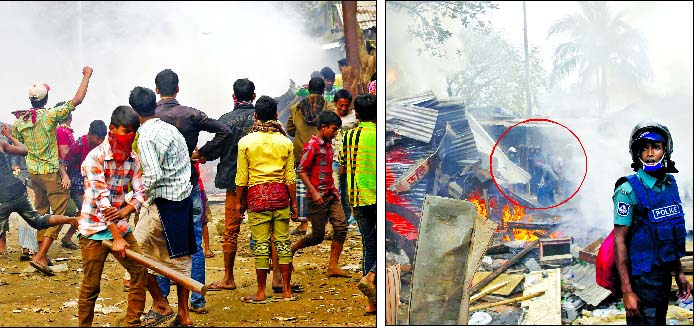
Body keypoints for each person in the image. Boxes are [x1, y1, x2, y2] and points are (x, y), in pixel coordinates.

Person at [152, 69, 230, 315]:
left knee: (162, 243)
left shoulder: (150, 117)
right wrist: (203, 153)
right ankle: (197, 299)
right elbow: (224, 131)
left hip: (162, 187)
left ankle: (162, 299)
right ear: (177, 89)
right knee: (194, 242)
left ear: (157, 89)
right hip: (190, 182)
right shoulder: (192, 115)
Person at [11, 66, 93, 275]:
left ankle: (41, 253)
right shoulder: (49, 117)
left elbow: (20, 146)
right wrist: (86, 76)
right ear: (46, 100)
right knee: (60, 212)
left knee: (40, 211)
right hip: (50, 172)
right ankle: (40, 256)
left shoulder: (20, 121)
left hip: (34, 173)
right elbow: (77, 100)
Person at [74, 106, 147, 327]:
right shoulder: (93, 159)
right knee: (91, 285)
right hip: (94, 229)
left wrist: (126, 210)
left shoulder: (132, 159)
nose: (129, 137)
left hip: (120, 224)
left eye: (133, 132)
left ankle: (132, 322)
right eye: (126, 131)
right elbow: (101, 201)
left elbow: (140, 191)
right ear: (112, 129)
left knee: (139, 272)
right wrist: (116, 237)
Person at [129, 86, 195, 327]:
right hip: (182, 200)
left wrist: (133, 200)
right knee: (181, 260)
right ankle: (183, 315)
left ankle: (159, 302)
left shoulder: (145, 136)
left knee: (132, 253)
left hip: (162, 205)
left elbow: (153, 175)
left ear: (135, 111)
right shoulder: (171, 130)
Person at [613, 121, 691, 325]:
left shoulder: (670, 184)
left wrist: (680, 273)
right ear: (636, 153)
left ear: (666, 150)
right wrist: (627, 291)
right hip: (642, 281)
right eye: (644, 148)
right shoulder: (627, 189)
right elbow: (619, 241)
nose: (649, 153)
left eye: (656, 147)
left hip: (664, 278)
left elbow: (670, 233)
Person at [236, 96, 298, 303]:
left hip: (257, 197)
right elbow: (290, 176)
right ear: (275, 115)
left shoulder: (245, 142)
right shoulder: (285, 142)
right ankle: (287, 290)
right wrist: (294, 203)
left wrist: (239, 202)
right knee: (283, 242)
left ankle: (261, 292)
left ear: (255, 116)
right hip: (281, 196)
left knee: (261, 244)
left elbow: (241, 177)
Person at [198, 78, 256, 291]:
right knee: (267, 230)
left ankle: (228, 279)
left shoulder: (226, 121)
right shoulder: (262, 119)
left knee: (231, 231)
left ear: (233, 97)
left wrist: (201, 154)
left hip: (234, 184)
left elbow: (215, 149)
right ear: (254, 96)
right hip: (259, 183)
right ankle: (277, 277)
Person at [0, 122, 78, 258]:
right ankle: (70, 219)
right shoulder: (1, 143)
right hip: (18, 190)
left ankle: (12, 248)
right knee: (38, 221)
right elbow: (24, 150)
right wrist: (9, 136)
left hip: (3, 197)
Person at [291, 110, 350, 278]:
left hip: (331, 194)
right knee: (317, 236)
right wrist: (314, 192)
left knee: (341, 227)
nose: (335, 133)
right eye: (334, 129)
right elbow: (301, 171)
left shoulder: (329, 146)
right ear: (323, 128)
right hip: (317, 198)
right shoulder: (312, 146)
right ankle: (290, 251)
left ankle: (332, 266)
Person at [341, 93, 377, 315]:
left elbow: (343, 166)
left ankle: (371, 302)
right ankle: (372, 276)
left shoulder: (348, 136)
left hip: (357, 197)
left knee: (369, 244)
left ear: (357, 113)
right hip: (378, 197)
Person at [287, 77, 327, 234]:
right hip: (322, 154)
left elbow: (290, 128)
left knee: (302, 188)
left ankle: (304, 225)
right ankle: (322, 224)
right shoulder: (328, 108)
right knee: (321, 187)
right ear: (323, 89)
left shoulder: (296, 108)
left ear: (309, 88)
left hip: (301, 153)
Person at [331, 89, 358, 230]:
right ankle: (337, 221)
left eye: (346, 105)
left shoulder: (355, 117)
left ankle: (347, 219)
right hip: (334, 159)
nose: (343, 108)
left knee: (348, 193)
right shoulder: (330, 116)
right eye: (340, 105)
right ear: (335, 103)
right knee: (336, 192)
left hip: (350, 161)